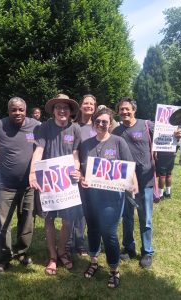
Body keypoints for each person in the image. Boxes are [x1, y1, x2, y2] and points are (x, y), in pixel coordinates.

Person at [112, 97, 181, 268]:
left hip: (146, 181)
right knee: (127, 217)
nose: (125, 112)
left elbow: (165, 134)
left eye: (127, 109)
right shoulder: (116, 131)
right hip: (126, 182)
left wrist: (176, 135)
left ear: (134, 110)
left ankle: (147, 252)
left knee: (146, 219)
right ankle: (129, 248)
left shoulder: (146, 125)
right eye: (121, 109)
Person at [79, 108, 137, 288]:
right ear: (94, 123)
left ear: (110, 123)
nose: (101, 125)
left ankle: (114, 270)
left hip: (112, 198)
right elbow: (81, 170)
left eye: (105, 122)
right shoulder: (85, 144)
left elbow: (129, 167)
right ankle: (94, 261)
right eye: (98, 122)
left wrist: (133, 184)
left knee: (110, 233)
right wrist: (82, 179)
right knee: (93, 230)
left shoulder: (118, 142)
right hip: (90, 196)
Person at [29, 93, 81, 275]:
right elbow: (39, 151)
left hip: (67, 183)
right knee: (49, 220)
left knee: (68, 221)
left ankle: (62, 251)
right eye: (58, 107)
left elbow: (75, 155)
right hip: (48, 181)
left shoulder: (75, 129)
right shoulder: (44, 128)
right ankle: (52, 256)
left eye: (65, 107)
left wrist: (77, 170)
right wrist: (32, 172)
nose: (62, 110)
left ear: (70, 111)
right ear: (53, 110)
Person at [0, 97, 41, 272]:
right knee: (1, 224)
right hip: (5, 185)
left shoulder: (35, 125)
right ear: (8, 111)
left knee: (27, 221)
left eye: (21, 110)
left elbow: (46, 143)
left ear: (25, 110)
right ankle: (3, 257)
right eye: (14, 110)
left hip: (28, 185)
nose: (17, 113)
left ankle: (21, 251)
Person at [66, 94, 97, 257]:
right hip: (74, 172)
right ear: (80, 105)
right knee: (73, 208)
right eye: (86, 103)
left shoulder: (99, 125)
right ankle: (68, 243)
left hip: (93, 174)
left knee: (85, 210)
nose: (89, 106)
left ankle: (80, 242)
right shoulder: (73, 126)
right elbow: (70, 149)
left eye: (92, 104)